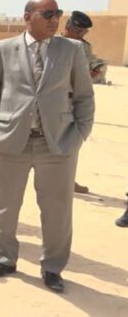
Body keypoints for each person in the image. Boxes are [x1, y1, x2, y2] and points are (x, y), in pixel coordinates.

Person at [0, 0, 94, 293]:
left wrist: (79, 134)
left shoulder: (71, 50)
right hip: (9, 142)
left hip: (57, 144)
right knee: (5, 207)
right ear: (28, 16)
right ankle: (5, 258)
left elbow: (84, 95)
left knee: (57, 211)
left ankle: (52, 267)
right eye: (49, 14)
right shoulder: (3, 49)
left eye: (58, 13)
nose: (56, 19)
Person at [61, 10, 104, 194]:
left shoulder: (84, 48)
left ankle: (68, 180)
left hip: (74, 101)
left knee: (72, 142)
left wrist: (94, 72)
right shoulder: (53, 44)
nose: (81, 35)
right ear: (67, 27)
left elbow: (92, 68)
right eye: (78, 31)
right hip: (54, 101)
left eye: (83, 32)